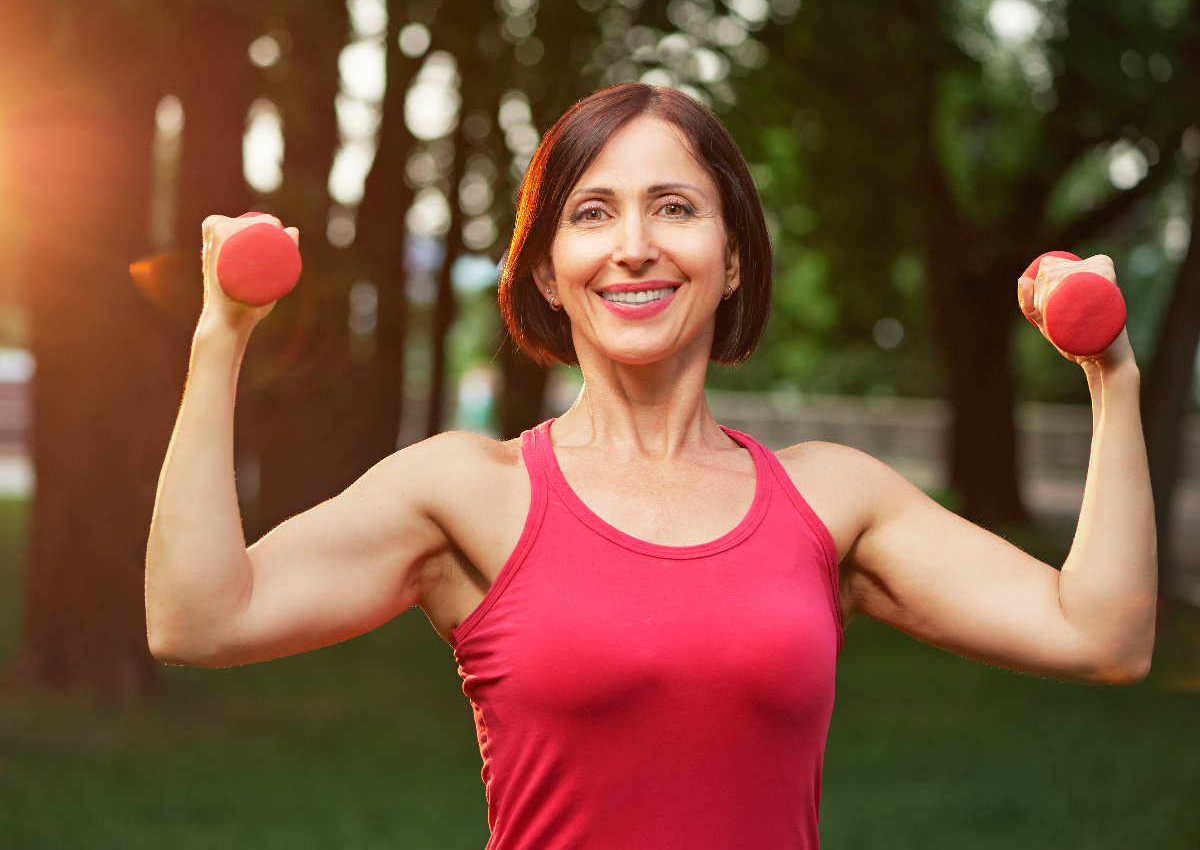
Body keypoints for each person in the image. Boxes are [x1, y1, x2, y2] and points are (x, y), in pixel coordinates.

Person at [145, 83, 1156, 849]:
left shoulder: (833, 499)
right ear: (547, 269)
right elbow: (198, 617)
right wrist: (220, 333)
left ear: (734, 258)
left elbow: (1102, 632)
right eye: (592, 213)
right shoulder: (465, 492)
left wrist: (1111, 378)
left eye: (675, 208)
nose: (633, 245)